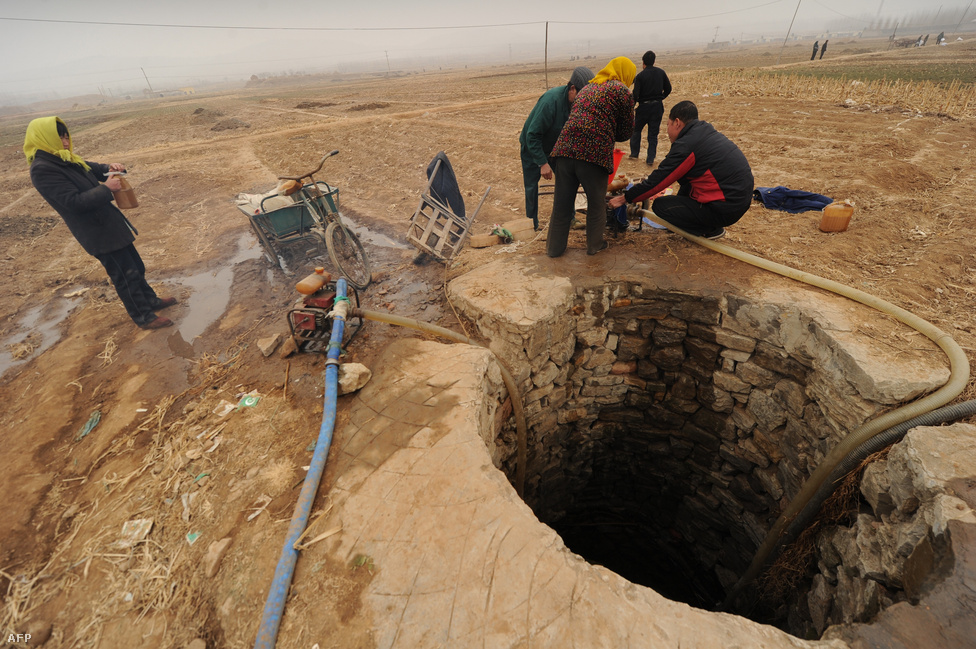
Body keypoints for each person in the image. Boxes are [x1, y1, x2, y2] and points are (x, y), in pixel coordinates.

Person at [24, 117, 176, 330]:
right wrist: (107, 188)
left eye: (66, 136)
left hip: (109, 223)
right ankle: (144, 317)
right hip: (97, 232)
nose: (65, 141)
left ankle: (151, 301)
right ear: (44, 138)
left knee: (136, 267)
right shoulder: (43, 169)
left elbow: (94, 169)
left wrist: (110, 167)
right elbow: (73, 202)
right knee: (125, 275)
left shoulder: (65, 159)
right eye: (59, 137)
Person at [609, 100, 753, 240]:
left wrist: (625, 198)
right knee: (685, 187)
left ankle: (709, 229)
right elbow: (684, 181)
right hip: (738, 200)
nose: (667, 130)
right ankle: (707, 223)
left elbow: (659, 181)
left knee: (661, 207)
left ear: (677, 122)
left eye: (668, 124)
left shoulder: (687, 146)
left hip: (725, 208)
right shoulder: (704, 133)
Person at [546, 57, 636, 258]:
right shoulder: (622, 91)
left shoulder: (588, 88)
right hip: (593, 154)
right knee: (596, 204)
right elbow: (625, 132)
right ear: (626, 74)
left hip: (564, 151)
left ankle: (554, 250)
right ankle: (595, 245)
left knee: (561, 205)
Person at [519, 66, 594, 230]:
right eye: (582, 95)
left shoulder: (578, 103)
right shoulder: (550, 102)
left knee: (567, 180)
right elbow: (532, 135)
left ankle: (570, 218)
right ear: (572, 88)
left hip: (555, 147)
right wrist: (542, 163)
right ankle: (531, 224)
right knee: (532, 187)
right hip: (533, 147)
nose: (585, 100)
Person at [629, 50, 672, 166]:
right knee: (653, 134)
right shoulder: (661, 73)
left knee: (636, 130)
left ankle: (634, 154)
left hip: (643, 108)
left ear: (643, 62)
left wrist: (631, 107)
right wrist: (661, 98)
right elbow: (668, 88)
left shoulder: (640, 76)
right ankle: (650, 159)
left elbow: (636, 95)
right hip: (657, 107)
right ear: (654, 61)